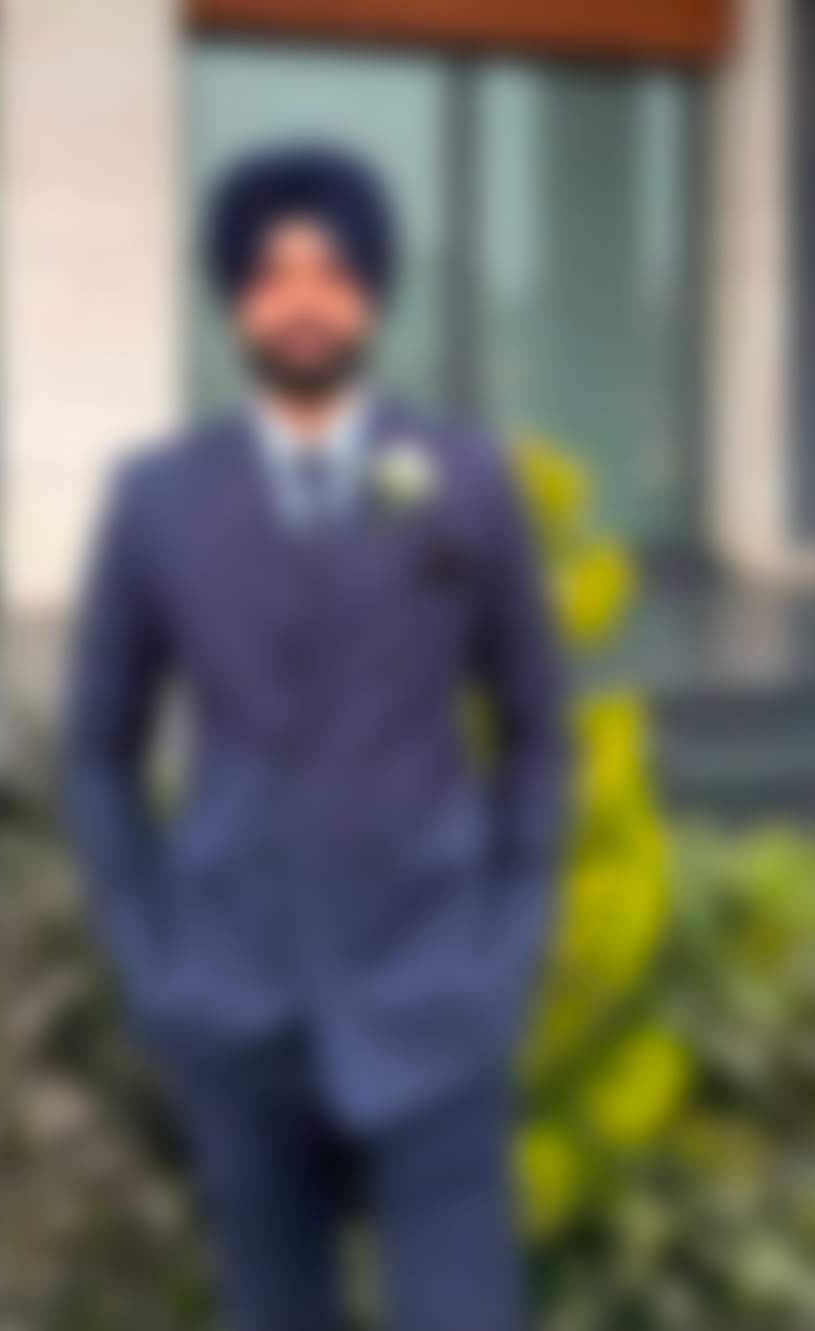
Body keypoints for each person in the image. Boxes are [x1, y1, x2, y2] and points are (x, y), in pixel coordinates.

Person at [65, 144, 567, 1331]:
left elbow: (537, 733)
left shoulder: (466, 480)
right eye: (273, 273)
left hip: (436, 1001)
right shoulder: (157, 497)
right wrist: (156, 962)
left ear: (373, 294)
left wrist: (505, 950)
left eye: (334, 271)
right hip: (236, 1008)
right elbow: (98, 752)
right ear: (235, 298)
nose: (304, 300)